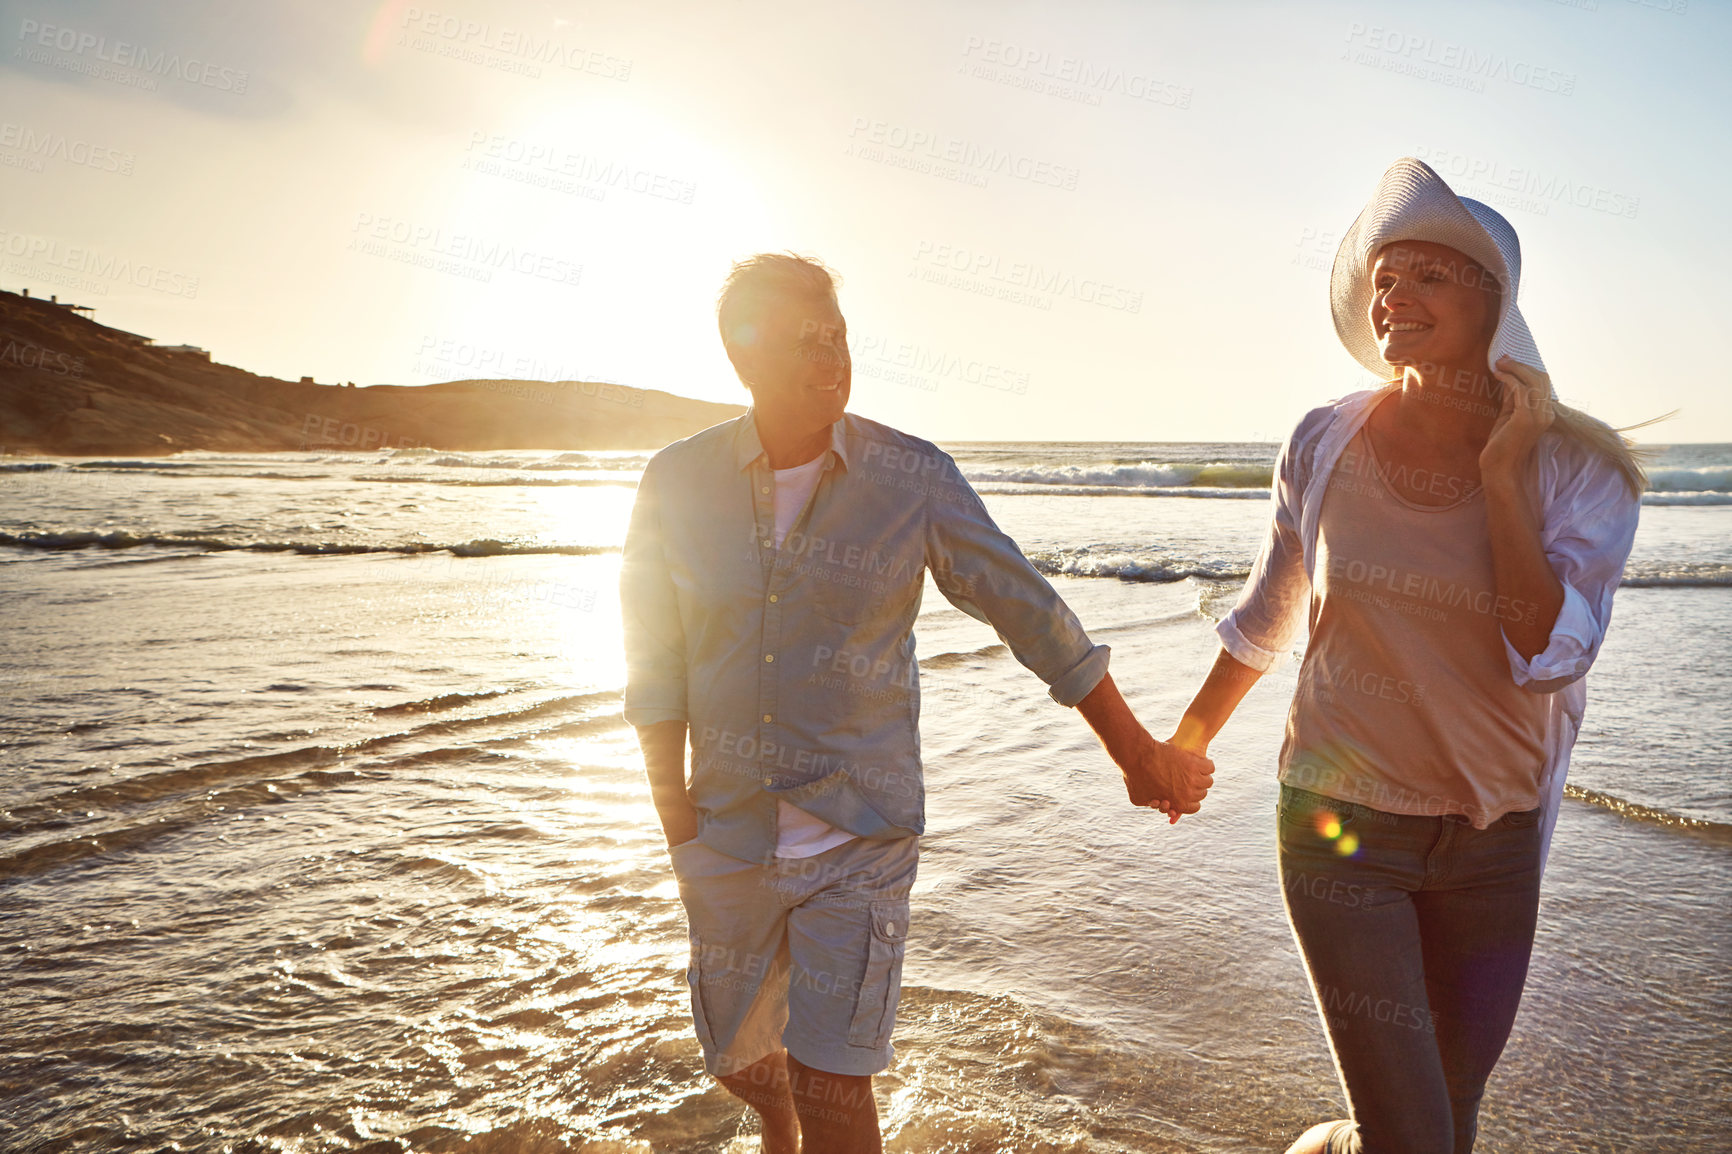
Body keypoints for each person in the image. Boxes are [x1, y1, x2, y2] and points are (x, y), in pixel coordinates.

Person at [621, 253, 1214, 1152]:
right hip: (725, 827)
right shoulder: (677, 481)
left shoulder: (910, 478)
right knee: (741, 1061)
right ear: (740, 358)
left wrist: (1136, 752)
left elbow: (1030, 610)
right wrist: (674, 812)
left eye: (838, 335)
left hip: (859, 829)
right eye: (802, 340)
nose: (831, 357)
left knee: (833, 1082)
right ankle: (775, 1126)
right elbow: (655, 655)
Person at [1169, 158, 1643, 1154]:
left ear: (1493, 303)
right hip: (1342, 826)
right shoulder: (1324, 440)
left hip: (1492, 840)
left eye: (1429, 272)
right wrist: (1185, 740)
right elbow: (1269, 611)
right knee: (1414, 1135)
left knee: (1444, 1124)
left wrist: (1501, 475)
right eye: (1386, 275)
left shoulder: (1578, 473)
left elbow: (1546, 652)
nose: (1395, 293)